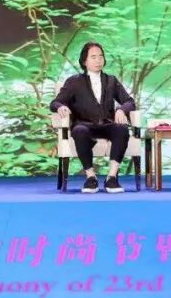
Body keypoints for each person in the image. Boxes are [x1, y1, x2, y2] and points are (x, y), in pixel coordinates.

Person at [50, 42, 136, 194]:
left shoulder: (111, 80)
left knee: (122, 129)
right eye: (93, 57)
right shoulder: (74, 81)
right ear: (84, 61)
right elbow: (55, 102)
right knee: (79, 131)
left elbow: (130, 102)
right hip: (84, 125)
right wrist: (60, 107)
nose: (98, 60)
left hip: (106, 124)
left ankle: (112, 177)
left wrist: (122, 110)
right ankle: (91, 177)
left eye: (101, 57)